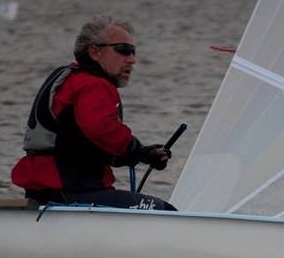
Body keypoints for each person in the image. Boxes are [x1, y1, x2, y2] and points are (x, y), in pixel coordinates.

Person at [11, 15, 176, 210]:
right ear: (95, 52)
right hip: (74, 192)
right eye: (123, 50)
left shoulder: (67, 77)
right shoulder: (92, 85)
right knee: (166, 211)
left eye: (133, 52)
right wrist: (138, 151)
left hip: (47, 192)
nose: (132, 59)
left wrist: (145, 155)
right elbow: (103, 130)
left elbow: (89, 144)